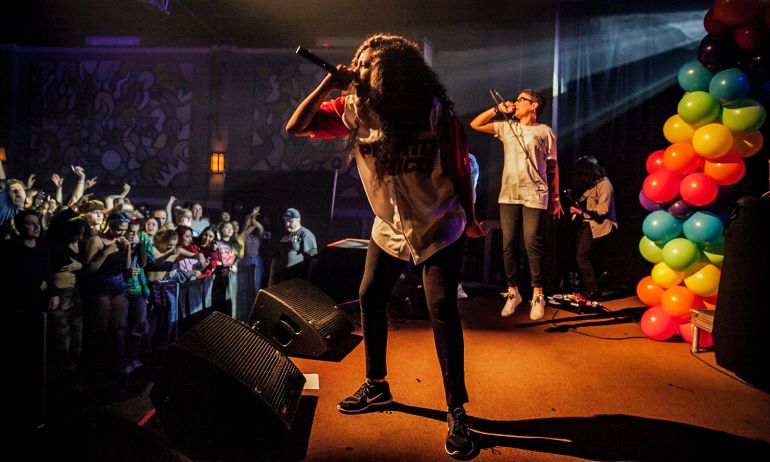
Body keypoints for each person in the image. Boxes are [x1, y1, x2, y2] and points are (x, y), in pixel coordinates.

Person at [286, 33, 486, 458]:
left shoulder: (434, 112)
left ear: (393, 73)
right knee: (370, 295)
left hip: (438, 223)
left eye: (366, 63)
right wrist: (329, 86)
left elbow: (458, 166)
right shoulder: (353, 109)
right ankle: (377, 386)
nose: (358, 66)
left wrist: (469, 218)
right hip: (389, 225)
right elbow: (296, 126)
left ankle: (457, 412)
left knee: (441, 310)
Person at [470, 88, 563, 321]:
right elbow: (475, 124)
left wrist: (556, 198)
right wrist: (497, 109)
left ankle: (538, 294)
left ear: (534, 106)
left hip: (536, 193)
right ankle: (513, 292)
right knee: (508, 243)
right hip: (509, 193)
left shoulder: (545, 132)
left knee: (532, 242)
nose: (517, 102)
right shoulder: (506, 127)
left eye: (522, 99)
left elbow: (552, 166)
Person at [568, 156, 617, 300]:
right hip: (587, 224)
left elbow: (603, 210)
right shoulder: (593, 185)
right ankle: (587, 288)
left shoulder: (605, 185)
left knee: (581, 256)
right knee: (583, 256)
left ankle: (594, 291)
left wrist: (581, 212)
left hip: (598, 225)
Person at [267, 207, 318, 286]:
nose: (287, 224)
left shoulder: (306, 234)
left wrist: (310, 281)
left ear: (298, 220)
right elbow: (275, 258)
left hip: (297, 279)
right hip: (282, 278)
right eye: (285, 221)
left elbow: (313, 260)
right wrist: (271, 279)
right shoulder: (283, 234)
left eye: (290, 221)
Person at [456, 153, 479, 300]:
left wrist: (470, 217)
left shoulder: (469, 159)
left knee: (457, 251)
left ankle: (456, 284)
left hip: (457, 213)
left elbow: (472, 184)